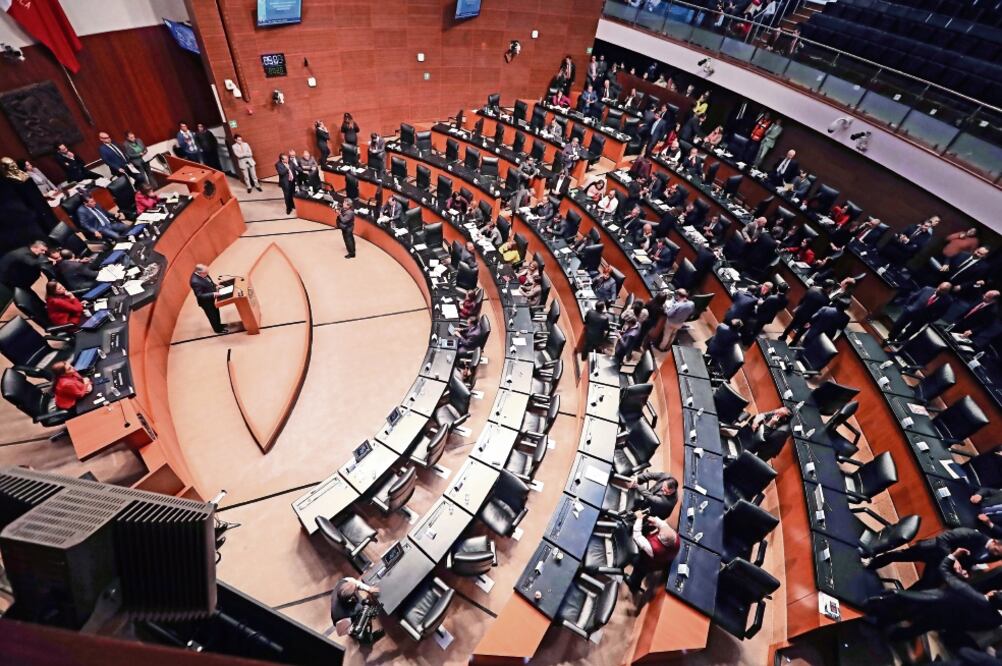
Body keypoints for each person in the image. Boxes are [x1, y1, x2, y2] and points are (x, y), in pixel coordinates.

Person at [865, 552, 1002, 642]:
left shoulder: (965, 591)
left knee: (909, 610)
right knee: (918, 628)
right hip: (946, 622)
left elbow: (944, 571)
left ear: (992, 592)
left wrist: (952, 557)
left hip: (937, 605)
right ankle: (894, 637)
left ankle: (882, 621)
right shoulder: (995, 619)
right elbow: (973, 628)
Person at [867, 527, 1002, 588]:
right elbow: (942, 539)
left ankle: (895, 599)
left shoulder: (994, 556)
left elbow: (970, 561)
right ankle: (871, 564)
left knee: (926, 585)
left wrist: (964, 571)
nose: (995, 555)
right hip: (933, 550)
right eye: (996, 551)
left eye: (998, 555)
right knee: (899, 556)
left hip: (942, 565)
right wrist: (952, 558)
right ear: (995, 541)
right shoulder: (973, 535)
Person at [626, 513, 680, 595]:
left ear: (661, 538)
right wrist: (655, 520)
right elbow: (664, 526)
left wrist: (639, 519)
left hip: (646, 563)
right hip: (661, 562)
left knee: (639, 572)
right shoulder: (675, 539)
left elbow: (637, 536)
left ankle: (633, 584)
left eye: (660, 533)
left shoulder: (654, 548)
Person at [887, 281, 953, 344]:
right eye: (940, 288)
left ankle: (897, 343)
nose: (940, 291)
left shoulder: (948, 300)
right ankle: (890, 339)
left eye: (943, 291)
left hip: (923, 318)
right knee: (898, 325)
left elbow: (941, 313)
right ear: (939, 285)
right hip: (911, 311)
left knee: (910, 331)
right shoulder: (927, 289)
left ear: (947, 292)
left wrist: (929, 320)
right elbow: (913, 297)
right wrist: (908, 307)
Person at [330, 576, 383, 642]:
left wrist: (368, 589)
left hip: (356, 609)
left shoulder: (344, 582)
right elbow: (341, 632)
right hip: (350, 623)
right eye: (356, 590)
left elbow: (355, 582)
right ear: (351, 599)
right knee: (360, 632)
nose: (357, 589)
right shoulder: (340, 616)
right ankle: (368, 639)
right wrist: (358, 625)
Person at [190, 264, 227, 334]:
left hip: (212, 299)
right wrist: (213, 294)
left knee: (216, 313)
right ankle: (218, 330)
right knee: (212, 316)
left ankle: (220, 325)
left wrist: (216, 286)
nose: (207, 274)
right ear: (199, 273)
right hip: (206, 303)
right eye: (206, 273)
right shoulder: (195, 282)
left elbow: (209, 282)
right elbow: (199, 295)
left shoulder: (204, 273)